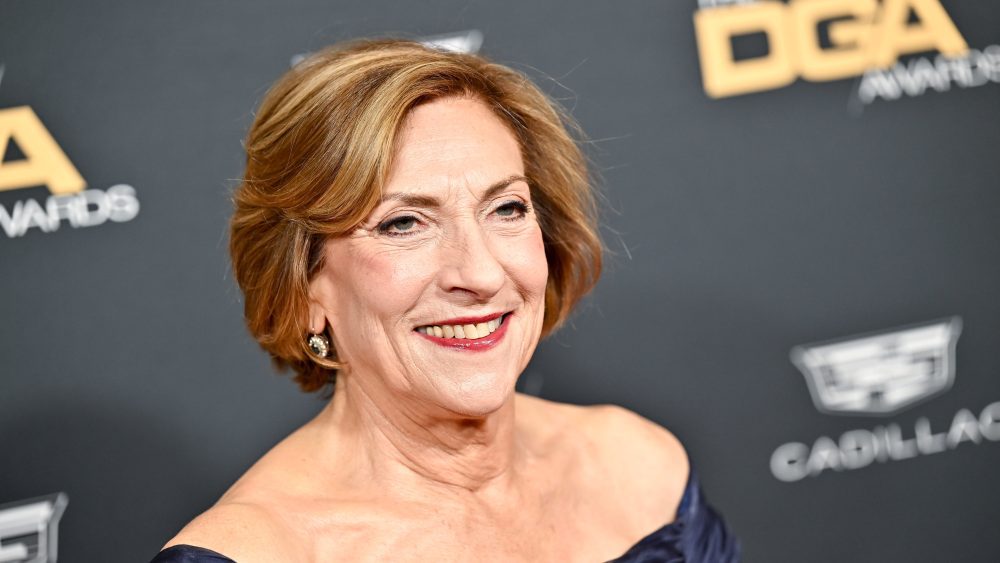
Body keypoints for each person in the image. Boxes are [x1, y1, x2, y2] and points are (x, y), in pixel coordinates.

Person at [154, 39, 739, 562]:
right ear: (305, 287)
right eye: (403, 223)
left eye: (506, 209)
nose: (480, 273)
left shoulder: (639, 468)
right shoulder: (262, 552)